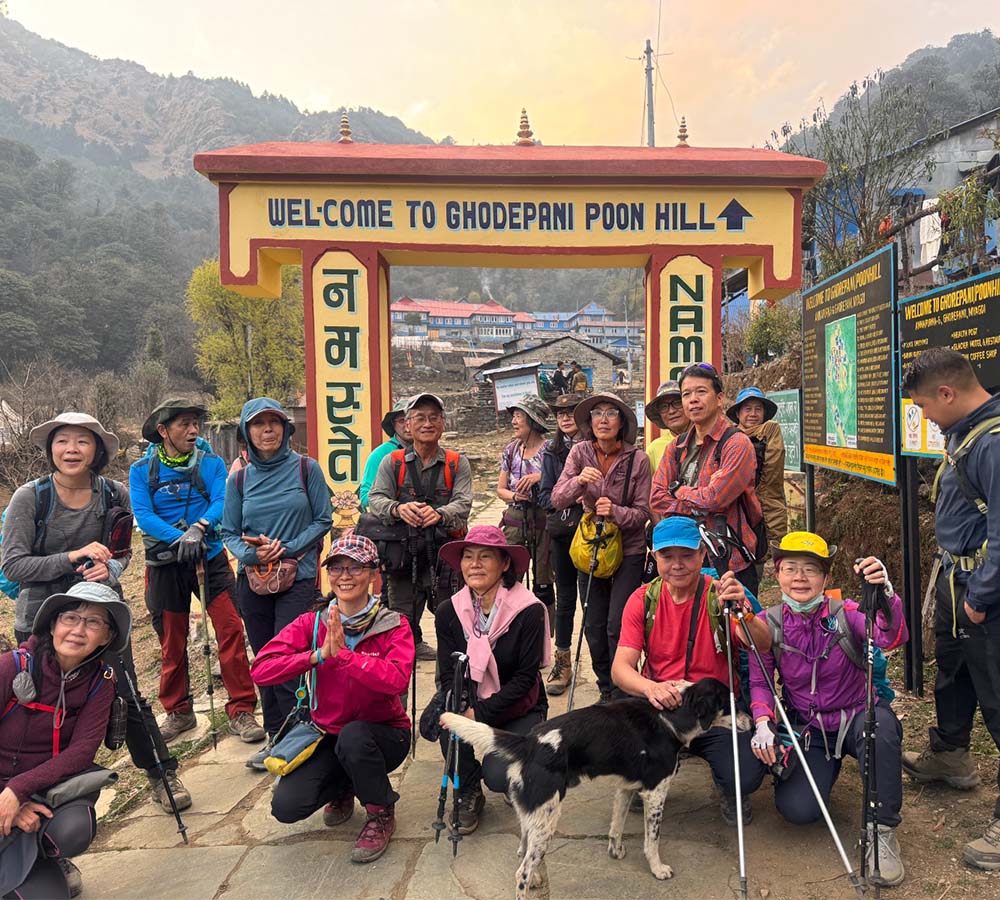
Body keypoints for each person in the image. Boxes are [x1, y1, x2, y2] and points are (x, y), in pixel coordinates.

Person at [1, 413, 190, 859]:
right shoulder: (32, 498)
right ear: (49, 448)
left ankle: (162, 774)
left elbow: (123, 550)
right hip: (44, 623)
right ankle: (34, 814)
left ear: (96, 449)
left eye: (81, 441)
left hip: (103, 620)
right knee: (41, 714)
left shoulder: (112, 493)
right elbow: (13, 566)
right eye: (61, 441)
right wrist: (74, 556)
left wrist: (112, 568)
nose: (71, 449)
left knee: (127, 699)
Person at [748, 532, 908, 886]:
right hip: (811, 731)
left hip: (858, 717)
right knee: (797, 811)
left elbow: (890, 637)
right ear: (777, 574)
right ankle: (823, 773)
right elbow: (760, 681)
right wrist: (763, 722)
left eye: (810, 569)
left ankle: (881, 832)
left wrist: (885, 596)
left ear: (825, 577)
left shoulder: (846, 612)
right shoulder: (768, 623)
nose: (799, 577)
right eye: (790, 568)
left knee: (879, 730)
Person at [251, 535, 414, 864]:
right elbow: (261, 670)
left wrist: (344, 658)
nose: (344, 575)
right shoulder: (312, 624)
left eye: (355, 567)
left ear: (373, 574)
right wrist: (314, 657)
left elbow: (396, 680)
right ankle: (345, 786)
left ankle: (380, 811)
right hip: (328, 733)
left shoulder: (394, 625)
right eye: (336, 567)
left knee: (355, 737)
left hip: (384, 734)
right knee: (286, 807)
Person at [898, 348, 1000, 870]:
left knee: (998, 696)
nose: (922, 417)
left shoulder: (993, 444)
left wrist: (982, 598)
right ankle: (951, 755)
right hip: (956, 580)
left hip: (983, 591)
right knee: (954, 674)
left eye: (921, 407)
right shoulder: (963, 433)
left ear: (946, 393)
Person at [612, 516, 769, 825]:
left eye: (686, 555)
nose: (677, 564)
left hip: (714, 709)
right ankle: (660, 760)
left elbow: (762, 645)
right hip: (662, 706)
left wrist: (744, 614)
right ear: (653, 558)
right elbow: (621, 668)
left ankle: (726, 783)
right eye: (667, 556)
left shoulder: (722, 596)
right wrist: (650, 688)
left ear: (702, 554)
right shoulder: (642, 600)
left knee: (745, 777)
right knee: (618, 730)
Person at [131, 399, 265, 748]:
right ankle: (178, 710)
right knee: (171, 639)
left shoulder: (211, 464)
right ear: (163, 431)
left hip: (211, 559)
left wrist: (200, 528)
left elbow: (221, 501)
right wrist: (181, 537)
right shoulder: (141, 470)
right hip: (165, 564)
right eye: (184, 425)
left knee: (231, 630)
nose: (193, 431)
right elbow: (143, 515)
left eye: (195, 424)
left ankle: (241, 708)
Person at [0, 581, 130, 899]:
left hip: (45, 794)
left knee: (74, 829)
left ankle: (44, 859)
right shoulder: (11, 666)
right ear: (54, 623)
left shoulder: (100, 681)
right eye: (70, 617)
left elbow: (82, 752)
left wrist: (20, 790)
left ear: (108, 636)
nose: (78, 630)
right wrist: (8, 798)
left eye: (93, 622)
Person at [222, 397, 333, 769]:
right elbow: (229, 532)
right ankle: (276, 736)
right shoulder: (238, 478)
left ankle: (301, 732)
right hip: (253, 581)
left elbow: (322, 519)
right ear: (247, 433)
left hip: (298, 577)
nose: (267, 430)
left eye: (274, 423)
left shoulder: (307, 469)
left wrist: (287, 549)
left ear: (286, 430)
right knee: (265, 658)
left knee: (290, 658)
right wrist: (255, 556)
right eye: (258, 424)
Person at [433, 525, 550, 834]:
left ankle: (522, 772)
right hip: (471, 700)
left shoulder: (528, 611)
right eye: (468, 557)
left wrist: (478, 716)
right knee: (445, 723)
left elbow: (526, 678)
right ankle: (469, 790)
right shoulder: (449, 611)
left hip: (519, 707)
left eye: (486, 556)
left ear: (505, 564)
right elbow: (447, 672)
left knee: (499, 776)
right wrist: (458, 708)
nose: (475, 564)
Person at [550, 392, 650, 703]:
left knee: (617, 623)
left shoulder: (638, 459)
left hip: (629, 551)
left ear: (622, 423)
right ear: (589, 422)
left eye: (611, 413)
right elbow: (556, 499)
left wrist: (616, 512)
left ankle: (624, 690)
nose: (603, 419)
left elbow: (643, 513)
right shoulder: (580, 453)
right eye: (597, 414)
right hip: (591, 549)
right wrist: (579, 481)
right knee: (593, 623)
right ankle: (606, 688)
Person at [368, 393, 473, 662]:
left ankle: (450, 691)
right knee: (399, 629)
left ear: (443, 423)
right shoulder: (392, 462)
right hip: (404, 560)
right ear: (407, 425)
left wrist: (439, 514)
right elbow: (375, 498)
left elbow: (463, 503)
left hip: (446, 560)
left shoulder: (455, 462)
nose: (427, 424)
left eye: (434, 418)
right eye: (420, 418)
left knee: (453, 628)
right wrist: (398, 508)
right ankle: (397, 696)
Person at [649, 363, 765, 597]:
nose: (693, 400)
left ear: (719, 398)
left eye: (701, 392)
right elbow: (656, 497)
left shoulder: (736, 443)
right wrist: (695, 500)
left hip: (730, 562)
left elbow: (716, 498)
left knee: (733, 631)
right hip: (687, 560)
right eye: (686, 394)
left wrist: (679, 491)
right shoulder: (677, 446)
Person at [538, 393, 585, 695]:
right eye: (560, 414)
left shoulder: (596, 447)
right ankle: (563, 661)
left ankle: (609, 669)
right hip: (564, 532)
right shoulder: (551, 452)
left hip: (597, 535)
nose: (565, 418)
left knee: (595, 602)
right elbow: (545, 497)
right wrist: (570, 493)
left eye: (571, 412)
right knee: (565, 598)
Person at [496, 395, 555, 619]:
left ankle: (543, 630)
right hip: (515, 518)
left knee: (544, 580)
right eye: (514, 416)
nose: (514, 421)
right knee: (509, 576)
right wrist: (515, 495)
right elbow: (501, 489)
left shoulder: (550, 450)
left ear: (532, 420)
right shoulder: (511, 450)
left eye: (519, 416)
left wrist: (538, 477)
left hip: (542, 520)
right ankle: (506, 623)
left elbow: (562, 481)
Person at [728, 387, 788, 551]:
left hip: (767, 504)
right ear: (738, 414)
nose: (753, 414)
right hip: (735, 507)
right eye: (748, 409)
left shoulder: (770, 431)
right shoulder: (727, 438)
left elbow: (771, 477)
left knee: (766, 550)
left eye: (758, 409)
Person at [358, 399, 411, 510]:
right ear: (393, 424)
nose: (408, 426)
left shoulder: (431, 452)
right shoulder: (380, 454)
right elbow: (364, 498)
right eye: (402, 420)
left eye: (412, 419)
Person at [644, 380, 689, 474]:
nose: (671, 411)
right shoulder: (654, 449)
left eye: (677, 403)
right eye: (664, 407)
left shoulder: (705, 439)